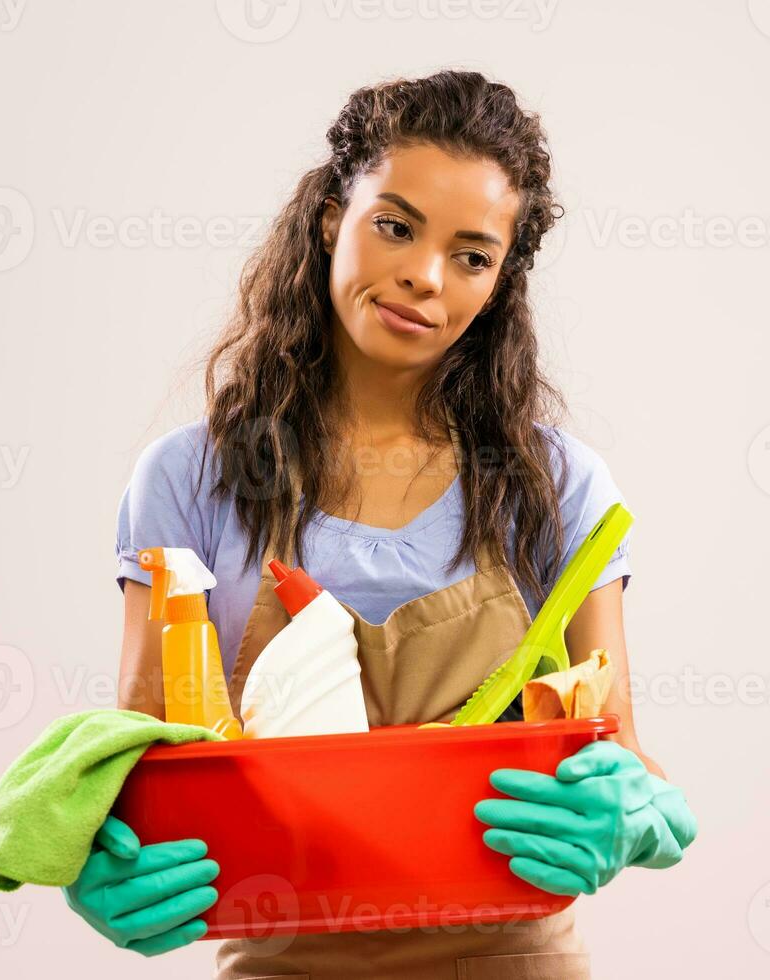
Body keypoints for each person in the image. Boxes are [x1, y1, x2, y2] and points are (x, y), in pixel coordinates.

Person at [62, 69, 696, 978]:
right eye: (394, 225)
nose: (423, 277)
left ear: (498, 284)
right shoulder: (191, 481)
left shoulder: (552, 487)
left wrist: (638, 816)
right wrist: (102, 855)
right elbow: (144, 750)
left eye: (471, 255)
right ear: (331, 215)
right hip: (283, 960)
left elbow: (625, 753)